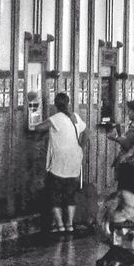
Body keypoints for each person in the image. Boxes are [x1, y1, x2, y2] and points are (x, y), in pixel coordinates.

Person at [33, 92, 86, 235]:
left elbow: (38, 127)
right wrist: (81, 145)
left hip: (60, 160)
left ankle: (60, 225)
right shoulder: (74, 116)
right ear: (68, 103)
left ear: (55, 104)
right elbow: (85, 130)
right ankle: (70, 224)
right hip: (75, 158)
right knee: (70, 193)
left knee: (54, 192)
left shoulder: (56, 118)